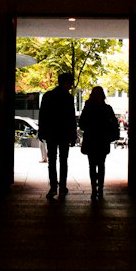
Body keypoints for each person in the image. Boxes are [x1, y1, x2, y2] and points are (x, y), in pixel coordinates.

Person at [38, 71, 77, 199]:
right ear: (65, 83)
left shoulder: (48, 96)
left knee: (52, 161)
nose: (71, 85)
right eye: (70, 83)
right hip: (64, 134)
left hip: (51, 133)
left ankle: (53, 187)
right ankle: (63, 187)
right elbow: (71, 118)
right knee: (63, 161)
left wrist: (41, 131)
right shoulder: (69, 98)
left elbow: (42, 115)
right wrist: (73, 135)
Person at [78, 85, 119, 199]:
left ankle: (93, 189)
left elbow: (81, 124)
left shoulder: (88, 108)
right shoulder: (107, 108)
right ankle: (100, 188)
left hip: (91, 139)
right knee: (101, 164)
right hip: (103, 140)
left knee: (92, 165)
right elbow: (114, 124)